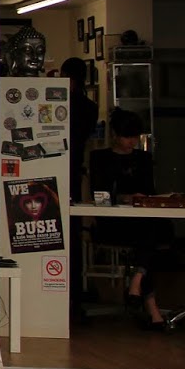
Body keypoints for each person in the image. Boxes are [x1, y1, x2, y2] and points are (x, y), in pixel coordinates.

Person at [89, 107, 170, 331]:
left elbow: (150, 190)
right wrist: (124, 197)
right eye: (127, 137)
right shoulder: (100, 158)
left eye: (135, 137)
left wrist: (143, 198)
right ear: (115, 135)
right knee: (150, 238)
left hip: (141, 221)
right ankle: (149, 303)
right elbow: (98, 192)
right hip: (114, 222)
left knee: (152, 232)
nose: (131, 142)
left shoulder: (143, 158)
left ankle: (137, 282)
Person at [61, 57, 100, 322]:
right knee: (72, 234)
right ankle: (74, 297)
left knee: (66, 234)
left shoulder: (65, 103)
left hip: (63, 170)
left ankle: (68, 297)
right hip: (73, 172)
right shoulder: (89, 107)